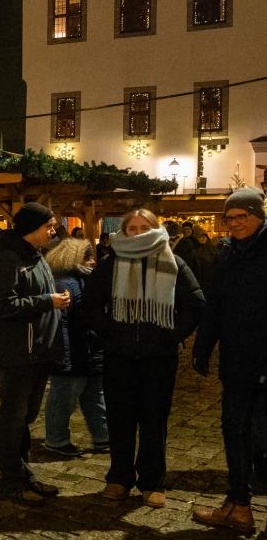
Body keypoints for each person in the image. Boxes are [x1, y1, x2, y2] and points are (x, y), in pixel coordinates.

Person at [82, 208, 204, 509]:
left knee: (154, 421)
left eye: (143, 227)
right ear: (124, 231)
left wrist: (171, 335)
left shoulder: (173, 261)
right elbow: (90, 304)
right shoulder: (111, 264)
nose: (137, 233)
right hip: (119, 356)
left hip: (158, 358)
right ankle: (119, 478)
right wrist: (107, 333)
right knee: (120, 419)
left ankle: (152, 481)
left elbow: (196, 303)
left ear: (155, 229)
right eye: (131, 228)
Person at [191, 188, 267, 534]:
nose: (235, 223)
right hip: (237, 362)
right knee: (234, 431)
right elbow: (216, 307)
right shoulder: (229, 254)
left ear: (258, 216)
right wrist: (203, 348)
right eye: (230, 218)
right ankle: (238, 504)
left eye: (242, 216)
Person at [0, 202, 69, 505]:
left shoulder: (37, 256)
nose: (54, 230)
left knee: (26, 417)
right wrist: (48, 301)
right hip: (18, 351)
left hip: (38, 351)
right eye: (50, 225)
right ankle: (10, 480)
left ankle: (24, 475)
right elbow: (2, 306)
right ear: (32, 227)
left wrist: (54, 300)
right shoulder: (7, 259)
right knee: (13, 418)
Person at [42, 237, 107, 457]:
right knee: (64, 399)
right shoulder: (66, 283)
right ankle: (56, 440)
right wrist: (64, 359)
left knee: (94, 396)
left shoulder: (84, 280)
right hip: (75, 354)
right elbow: (62, 324)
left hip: (88, 352)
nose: (92, 262)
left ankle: (103, 437)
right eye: (87, 258)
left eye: (92, 257)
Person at [185, 225, 219, 296]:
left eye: (204, 237)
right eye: (200, 237)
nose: (203, 239)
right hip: (198, 278)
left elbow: (217, 262)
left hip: (210, 278)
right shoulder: (194, 250)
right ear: (197, 238)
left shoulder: (212, 249)